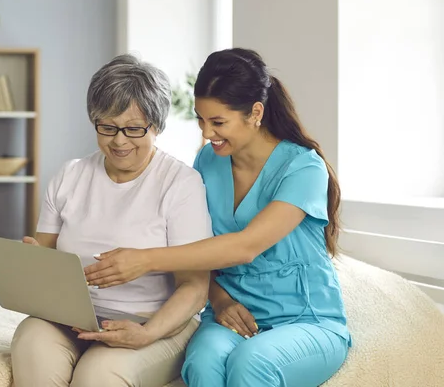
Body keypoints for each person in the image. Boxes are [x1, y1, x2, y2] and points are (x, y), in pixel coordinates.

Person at [84, 48, 352, 387]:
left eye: (218, 122)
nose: (207, 133)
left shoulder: (304, 168)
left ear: (255, 113)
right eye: (200, 119)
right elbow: (199, 249)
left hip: (306, 321)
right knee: (202, 365)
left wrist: (145, 260)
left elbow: (245, 247)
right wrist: (220, 299)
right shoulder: (208, 162)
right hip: (230, 315)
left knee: (251, 362)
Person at [10, 54, 213, 387]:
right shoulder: (69, 176)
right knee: (32, 347)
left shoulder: (181, 184)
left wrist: (148, 334)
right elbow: (43, 256)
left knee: (97, 376)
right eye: (107, 127)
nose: (119, 141)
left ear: (157, 126)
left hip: (154, 322)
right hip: (69, 319)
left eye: (134, 129)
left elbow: (194, 288)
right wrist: (32, 264)